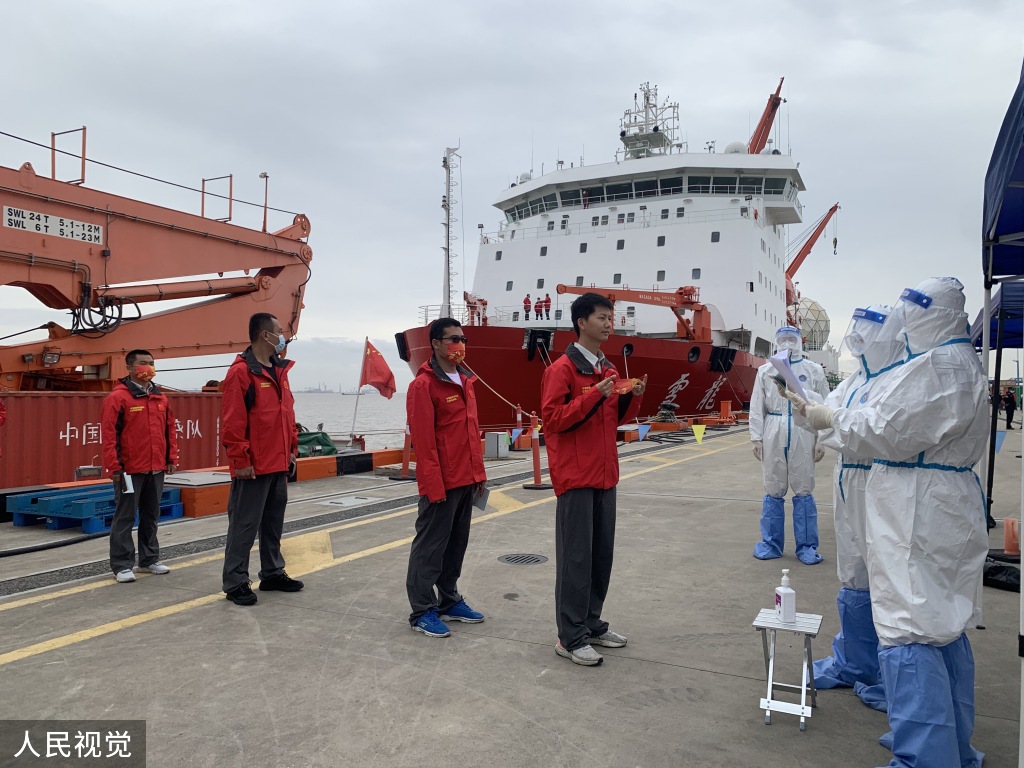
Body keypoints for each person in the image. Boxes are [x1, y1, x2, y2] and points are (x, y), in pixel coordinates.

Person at [787, 277, 987, 768]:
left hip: (917, 507)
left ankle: (926, 756)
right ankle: (953, 747)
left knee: (907, 625)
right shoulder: (958, 363)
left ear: (927, 314)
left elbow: (886, 428)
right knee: (941, 625)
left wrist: (826, 419)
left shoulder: (938, 366)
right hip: (938, 502)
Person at [541, 292, 646, 666]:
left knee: (601, 555)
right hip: (576, 477)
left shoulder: (608, 369)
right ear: (581, 322)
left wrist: (628, 397)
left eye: (610, 317)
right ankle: (569, 636)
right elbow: (552, 420)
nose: (608, 323)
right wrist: (594, 395)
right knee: (576, 558)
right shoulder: (562, 370)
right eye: (602, 317)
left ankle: (591, 622)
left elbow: (610, 420)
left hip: (604, 475)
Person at [812, 306, 905, 710]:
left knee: (884, 572)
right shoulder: (854, 379)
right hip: (848, 476)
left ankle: (891, 675)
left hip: (879, 480)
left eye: (868, 334)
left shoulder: (897, 379)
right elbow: (831, 419)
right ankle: (856, 662)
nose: (859, 340)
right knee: (853, 568)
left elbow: (868, 429)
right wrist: (807, 413)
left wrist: (830, 422)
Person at [405, 318, 487, 637]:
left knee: (456, 545)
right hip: (442, 483)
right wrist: (433, 485)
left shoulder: (466, 380)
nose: (459, 345)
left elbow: (470, 433)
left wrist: (478, 474)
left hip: (466, 479)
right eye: (453, 339)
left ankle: (449, 600)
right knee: (430, 547)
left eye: (462, 338)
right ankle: (422, 609)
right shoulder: (423, 386)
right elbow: (424, 443)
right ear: (436, 344)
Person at [221, 313, 303, 606]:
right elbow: (232, 422)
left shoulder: (279, 371)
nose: (284, 337)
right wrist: (240, 459)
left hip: (279, 462)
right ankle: (235, 581)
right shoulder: (241, 373)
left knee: (272, 523)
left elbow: (286, 416)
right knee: (244, 525)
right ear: (265, 335)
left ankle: (272, 572)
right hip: (253, 466)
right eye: (280, 332)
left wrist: (292, 450)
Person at [749, 326, 830, 565]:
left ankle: (806, 546)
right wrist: (756, 437)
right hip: (773, 427)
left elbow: (825, 405)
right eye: (782, 339)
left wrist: (822, 439)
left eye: (791, 339)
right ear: (775, 341)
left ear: (799, 341)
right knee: (773, 485)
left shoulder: (812, 370)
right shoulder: (765, 371)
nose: (787, 343)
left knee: (803, 486)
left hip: (803, 429)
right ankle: (771, 543)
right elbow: (757, 405)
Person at [101, 350, 179, 583]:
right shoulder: (118, 398)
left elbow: (170, 430)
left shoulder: (160, 398)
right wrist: (114, 468)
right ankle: (122, 565)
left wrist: (171, 458)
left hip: (155, 468)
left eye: (151, 363)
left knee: (151, 515)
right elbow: (109, 435)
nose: (148, 367)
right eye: (143, 363)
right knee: (125, 516)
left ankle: (149, 559)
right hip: (129, 470)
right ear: (130, 368)